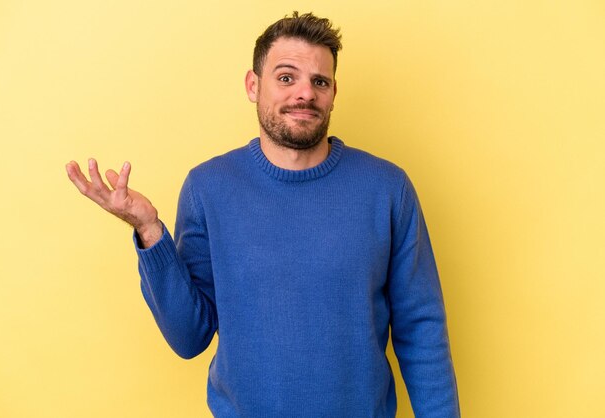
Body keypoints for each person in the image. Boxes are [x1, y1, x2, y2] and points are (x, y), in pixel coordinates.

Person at [65, 11, 460, 418]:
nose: (304, 94)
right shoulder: (208, 188)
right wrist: (149, 232)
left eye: (319, 81)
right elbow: (189, 337)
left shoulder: (387, 188)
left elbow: (421, 328)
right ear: (253, 85)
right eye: (286, 77)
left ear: (334, 92)